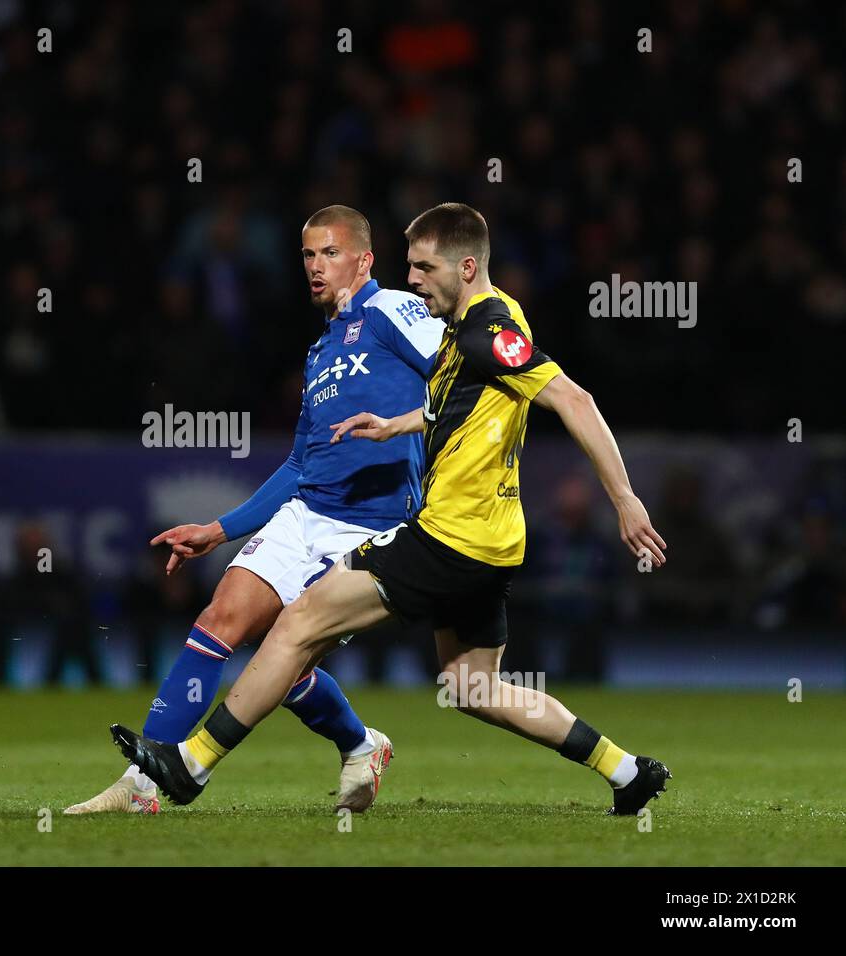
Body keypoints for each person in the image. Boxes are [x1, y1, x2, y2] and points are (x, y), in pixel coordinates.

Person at [114, 202, 672, 816]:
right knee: (471, 688)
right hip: (494, 545)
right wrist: (394, 425)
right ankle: (626, 771)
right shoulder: (488, 320)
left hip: (447, 538)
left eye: (423, 268)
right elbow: (462, 401)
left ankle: (190, 764)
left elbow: (574, 398)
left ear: (464, 268)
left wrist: (624, 498)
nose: (414, 280)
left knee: (297, 623)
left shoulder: (480, 331)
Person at [64, 205, 444, 814]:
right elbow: (298, 465)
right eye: (307, 255)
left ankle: (357, 743)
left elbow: (458, 371)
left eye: (330, 253)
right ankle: (146, 784)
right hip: (308, 514)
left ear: (364, 260)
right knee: (221, 618)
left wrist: (422, 429)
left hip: (377, 526)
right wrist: (218, 530)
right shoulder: (320, 353)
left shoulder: (393, 310)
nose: (316, 267)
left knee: (282, 656)